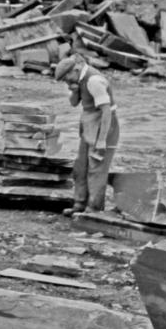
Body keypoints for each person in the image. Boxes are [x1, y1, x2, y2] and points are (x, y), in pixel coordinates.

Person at [54, 55, 120, 216]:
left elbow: (106, 112)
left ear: (75, 70)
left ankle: (93, 208)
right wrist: (74, 90)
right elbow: (74, 103)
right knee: (80, 167)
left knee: (96, 169)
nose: (66, 82)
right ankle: (79, 203)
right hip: (88, 125)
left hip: (103, 126)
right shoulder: (79, 81)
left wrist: (103, 139)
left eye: (67, 77)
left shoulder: (94, 81)